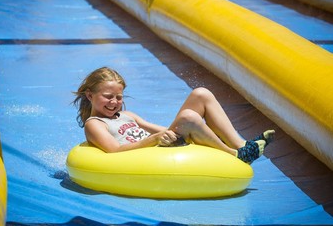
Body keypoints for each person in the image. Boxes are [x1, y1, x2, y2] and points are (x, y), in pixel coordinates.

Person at [73, 67, 275, 164]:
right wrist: (155, 139)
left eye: (118, 97)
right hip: (147, 155)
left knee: (201, 94)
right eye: (108, 97)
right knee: (188, 117)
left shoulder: (127, 114)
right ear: (90, 95)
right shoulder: (95, 124)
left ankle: (240, 145)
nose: (114, 102)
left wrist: (191, 134)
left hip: (162, 144)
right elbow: (115, 151)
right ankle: (236, 156)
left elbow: (156, 128)